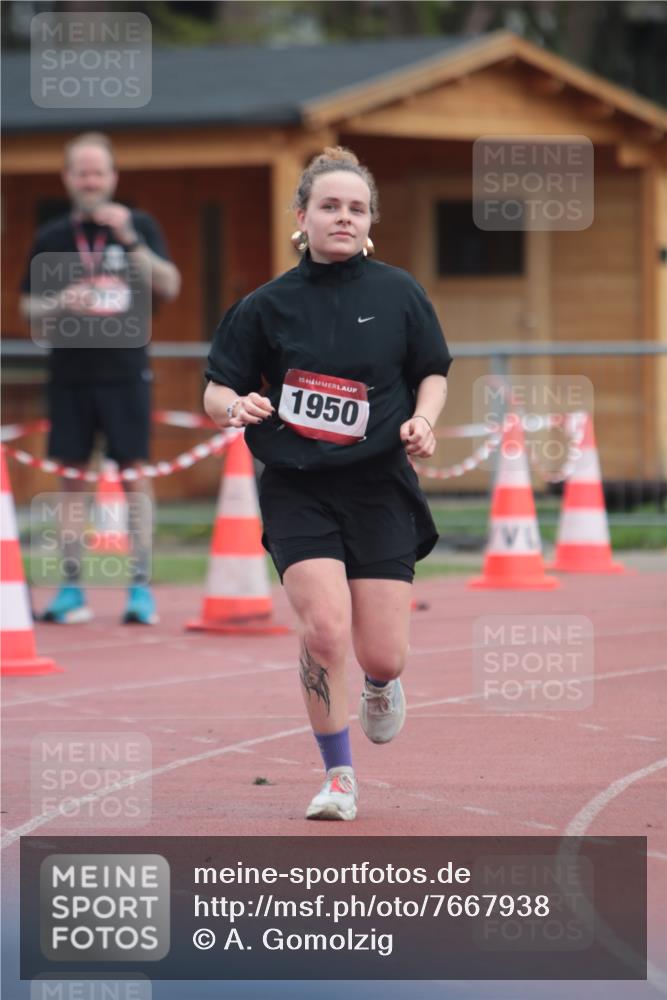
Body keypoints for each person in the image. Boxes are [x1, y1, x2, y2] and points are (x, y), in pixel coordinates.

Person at [204, 146, 451, 820]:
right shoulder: (265, 305)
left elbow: (432, 369)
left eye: (355, 208)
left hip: (378, 485)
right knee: (323, 632)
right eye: (329, 206)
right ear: (302, 217)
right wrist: (234, 407)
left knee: (384, 653)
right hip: (297, 483)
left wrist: (423, 422)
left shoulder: (398, 292)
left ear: (369, 222)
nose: (343, 217)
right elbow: (218, 385)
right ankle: (337, 777)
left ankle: (378, 683)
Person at [20, 132, 181, 625]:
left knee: (133, 475)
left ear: (112, 177)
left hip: (125, 371)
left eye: (99, 172)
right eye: (81, 172)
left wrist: (131, 240)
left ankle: (140, 588)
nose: (90, 181)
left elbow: (170, 286)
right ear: (68, 179)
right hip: (70, 373)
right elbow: (27, 307)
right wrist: (61, 302)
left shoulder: (139, 226)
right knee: (71, 479)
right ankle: (71, 587)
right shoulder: (51, 238)